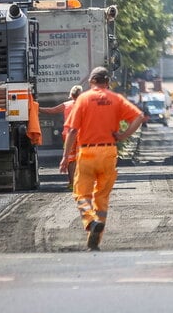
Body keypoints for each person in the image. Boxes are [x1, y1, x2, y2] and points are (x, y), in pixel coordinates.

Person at [61, 67, 143, 251]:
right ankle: (95, 240)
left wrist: (66, 156)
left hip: (87, 153)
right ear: (107, 82)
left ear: (91, 82)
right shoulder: (115, 99)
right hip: (109, 153)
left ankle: (90, 221)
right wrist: (123, 135)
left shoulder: (83, 99)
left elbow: (72, 131)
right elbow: (138, 117)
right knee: (102, 198)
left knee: (81, 194)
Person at [41, 85, 84, 188]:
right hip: (82, 134)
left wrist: (37, 108)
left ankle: (72, 183)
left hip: (68, 135)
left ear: (71, 95)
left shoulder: (66, 105)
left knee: (70, 159)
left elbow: (51, 111)